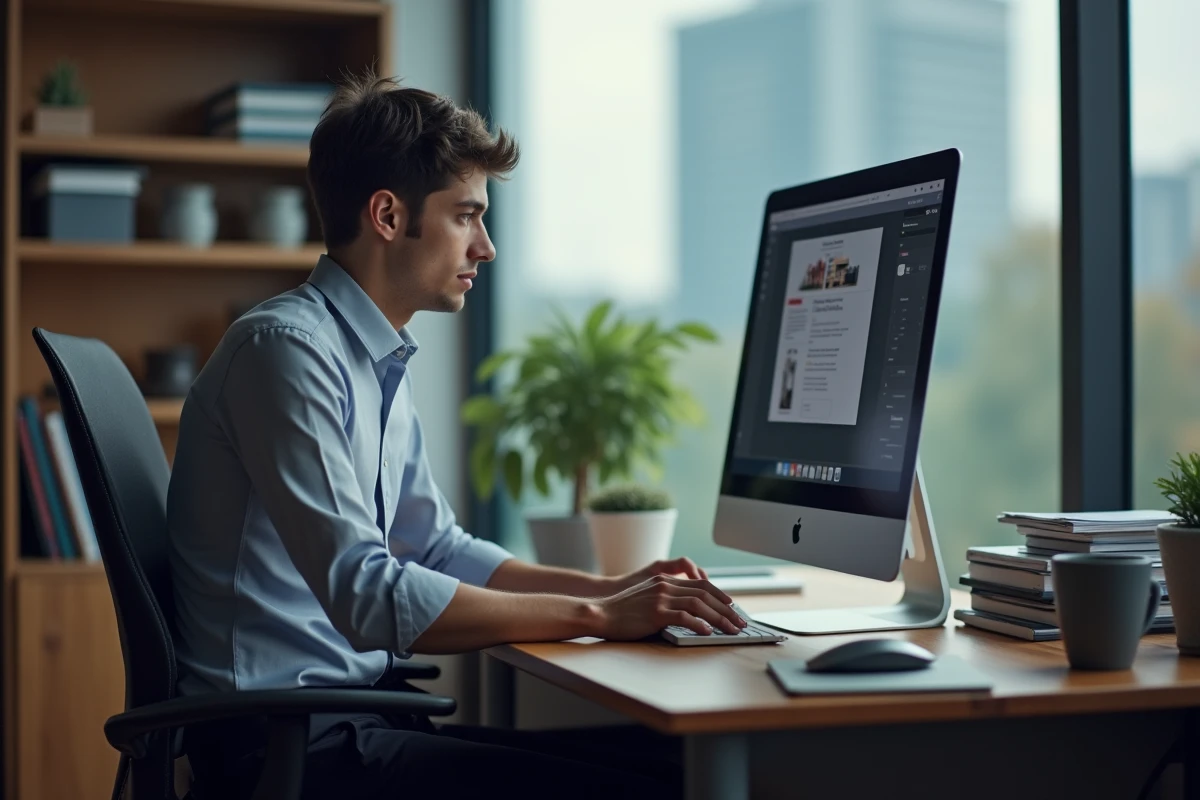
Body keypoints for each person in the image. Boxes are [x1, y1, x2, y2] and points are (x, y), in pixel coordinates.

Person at [166, 71, 743, 800]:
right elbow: (368, 595)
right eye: (467, 216)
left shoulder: (371, 356)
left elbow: (437, 548)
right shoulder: (286, 351)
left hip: (346, 723)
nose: (487, 247)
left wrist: (618, 587)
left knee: (665, 771)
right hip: (284, 751)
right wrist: (598, 616)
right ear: (386, 215)